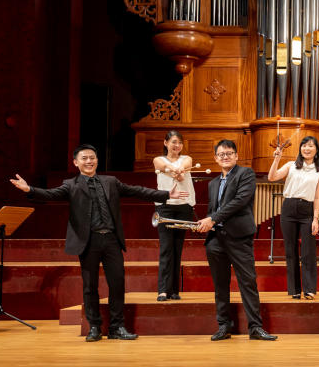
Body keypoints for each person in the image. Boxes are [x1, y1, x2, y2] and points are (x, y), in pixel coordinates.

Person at [10, 144, 187, 341]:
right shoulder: (70, 184)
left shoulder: (110, 181)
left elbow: (136, 190)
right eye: (84, 158)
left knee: (117, 283)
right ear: (76, 162)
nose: (89, 161)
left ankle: (117, 327)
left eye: (92, 157)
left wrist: (164, 195)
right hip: (88, 241)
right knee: (89, 285)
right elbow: (50, 195)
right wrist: (29, 189)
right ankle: (94, 327)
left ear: (97, 160)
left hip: (111, 239)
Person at [195, 140, 276, 341]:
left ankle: (255, 328)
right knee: (220, 285)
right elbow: (212, 210)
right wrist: (206, 223)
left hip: (239, 238)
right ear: (215, 158)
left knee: (247, 282)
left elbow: (240, 201)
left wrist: (213, 218)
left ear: (236, 156)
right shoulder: (213, 183)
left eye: (229, 153)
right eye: (221, 154)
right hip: (216, 240)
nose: (225, 157)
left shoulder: (245, 174)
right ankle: (224, 326)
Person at [268, 136, 319, 300]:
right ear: (300, 148)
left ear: (316, 150)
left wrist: (316, 219)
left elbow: (317, 198)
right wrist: (276, 159)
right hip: (289, 207)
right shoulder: (291, 166)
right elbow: (272, 177)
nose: (307, 149)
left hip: (307, 210)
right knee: (290, 251)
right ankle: (294, 290)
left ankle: (309, 289)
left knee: (308, 251)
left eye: (311, 146)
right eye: (304, 146)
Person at [152, 129, 196, 302]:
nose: (176, 145)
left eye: (179, 142)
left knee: (177, 249)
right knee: (166, 249)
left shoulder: (187, 159)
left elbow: (184, 168)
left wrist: (180, 172)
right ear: (166, 143)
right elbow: (161, 167)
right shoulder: (158, 159)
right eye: (173, 142)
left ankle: (174, 290)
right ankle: (163, 290)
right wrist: (174, 171)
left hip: (184, 208)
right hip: (166, 208)